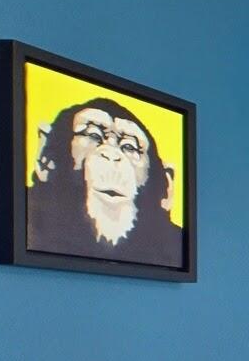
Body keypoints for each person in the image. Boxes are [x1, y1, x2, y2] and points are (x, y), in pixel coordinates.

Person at [26, 97, 185, 268]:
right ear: (46, 159)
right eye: (93, 135)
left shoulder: (177, 246)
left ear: (166, 189)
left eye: (129, 147)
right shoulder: (24, 217)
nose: (111, 154)